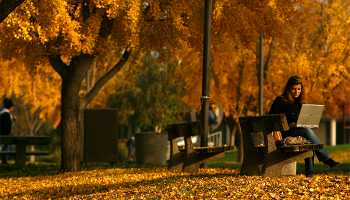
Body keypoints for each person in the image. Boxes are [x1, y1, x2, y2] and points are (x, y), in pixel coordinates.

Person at [269, 76, 339, 178]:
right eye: (293, 89)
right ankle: (325, 158)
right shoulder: (280, 100)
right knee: (307, 132)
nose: (296, 92)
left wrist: (309, 123)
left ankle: (310, 176)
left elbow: (302, 121)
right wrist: (289, 125)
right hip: (284, 134)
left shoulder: (300, 103)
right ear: (288, 88)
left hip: (299, 132)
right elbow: (271, 120)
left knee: (308, 137)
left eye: (299, 89)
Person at [0, 98, 16, 165]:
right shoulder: (6, 114)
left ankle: (16, 159)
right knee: (9, 145)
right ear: (11, 107)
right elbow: (6, 125)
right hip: (5, 135)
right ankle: (5, 161)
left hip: (3, 134)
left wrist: (13, 120)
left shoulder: (2, 113)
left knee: (11, 146)